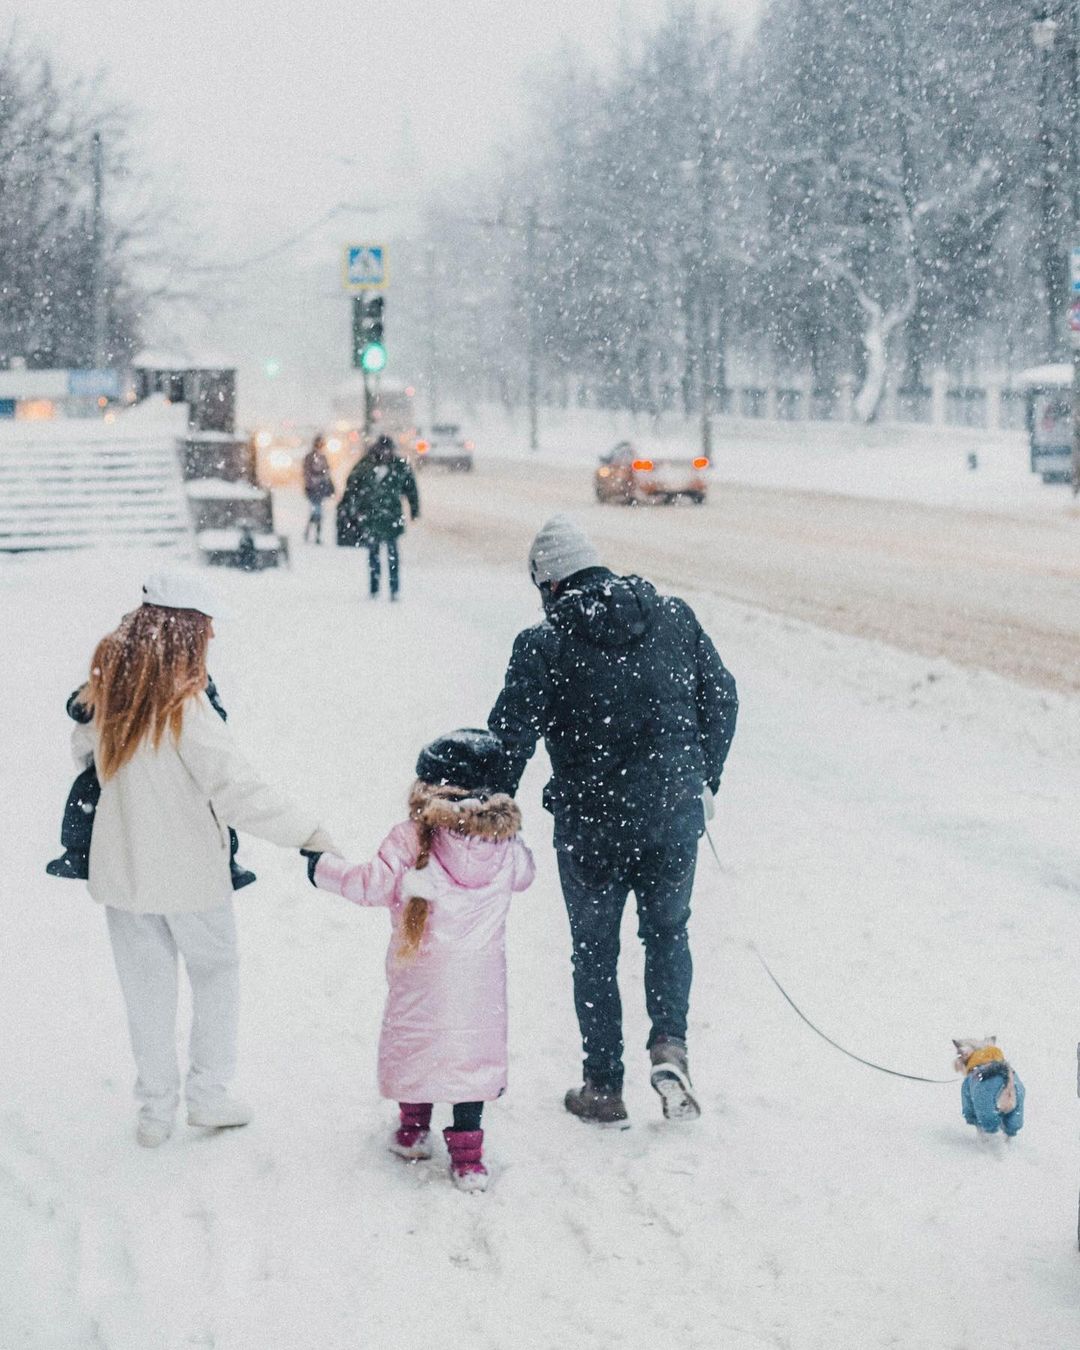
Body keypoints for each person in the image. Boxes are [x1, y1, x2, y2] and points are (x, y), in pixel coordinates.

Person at [69, 569, 335, 1148]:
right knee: (215, 974)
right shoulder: (184, 708)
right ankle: (209, 1096)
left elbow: (84, 760)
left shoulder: (106, 693)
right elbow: (238, 790)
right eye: (205, 632)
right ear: (184, 632)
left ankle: (155, 1111)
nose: (209, 643)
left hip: (124, 873)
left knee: (146, 991)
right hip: (190, 875)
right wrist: (308, 831)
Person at [487, 515, 738, 1129]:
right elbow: (723, 696)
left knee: (595, 950)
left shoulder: (544, 645)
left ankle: (603, 1086)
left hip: (591, 824)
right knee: (668, 932)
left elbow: (508, 745)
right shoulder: (673, 617)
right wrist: (703, 777)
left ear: (548, 585)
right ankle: (670, 1048)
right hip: (673, 815)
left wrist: (482, 813)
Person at [305, 729, 535, 1192]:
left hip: (421, 975)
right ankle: (469, 1159)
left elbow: (370, 884)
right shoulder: (506, 847)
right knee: (471, 1058)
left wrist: (320, 867)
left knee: (417, 1041)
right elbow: (526, 877)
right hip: (479, 985)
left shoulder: (411, 838)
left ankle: (412, 1131)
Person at [46, 677, 256, 891]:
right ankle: (79, 852)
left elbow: (214, 714)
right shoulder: (119, 671)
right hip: (126, 749)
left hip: (175, 749)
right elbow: (80, 703)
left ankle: (225, 862)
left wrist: (198, 717)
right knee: (89, 787)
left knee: (207, 799)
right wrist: (89, 705)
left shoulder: (190, 677)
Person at [336, 433, 419, 600]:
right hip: (374, 518)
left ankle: (393, 589)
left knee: (390, 554)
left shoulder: (396, 466)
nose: (386, 453)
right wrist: (351, 508)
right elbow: (352, 488)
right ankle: (376, 588)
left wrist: (414, 509)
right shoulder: (368, 466)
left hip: (388, 517)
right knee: (376, 555)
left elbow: (411, 489)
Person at [302, 434, 335, 544]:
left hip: (319, 489)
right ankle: (313, 534)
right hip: (313, 489)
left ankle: (311, 533)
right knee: (317, 512)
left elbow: (327, 473)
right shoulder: (311, 457)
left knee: (317, 512)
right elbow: (308, 473)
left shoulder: (321, 457)